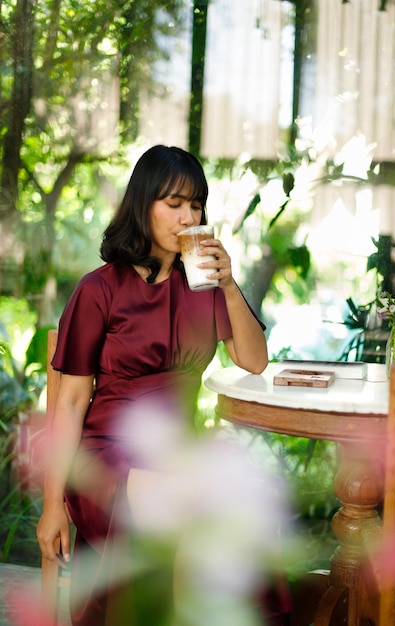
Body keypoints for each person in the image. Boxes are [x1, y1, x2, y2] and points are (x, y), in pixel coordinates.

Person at [36, 145, 271, 626]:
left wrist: (229, 284)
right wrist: (51, 504)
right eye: (174, 203)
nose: (187, 216)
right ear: (143, 205)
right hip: (106, 455)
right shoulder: (99, 288)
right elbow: (71, 401)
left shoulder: (204, 287)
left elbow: (255, 360)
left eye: (196, 204)